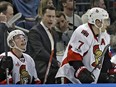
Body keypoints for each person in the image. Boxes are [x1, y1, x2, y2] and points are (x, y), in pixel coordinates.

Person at [56, 7, 116, 84]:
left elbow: (105, 58)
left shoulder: (105, 35)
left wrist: (108, 73)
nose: (108, 24)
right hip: (69, 77)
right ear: (97, 22)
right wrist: (81, 70)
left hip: (89, 80)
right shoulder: (83, 32)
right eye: (105, 20)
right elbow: (73, 56)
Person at [28, 6, 59, 84]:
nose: (51, 19)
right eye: (49, 16)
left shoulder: (53, 32)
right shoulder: (35, 31)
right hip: (40, 69)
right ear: (42, 16)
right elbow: (40, 51)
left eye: (53, 17)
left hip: (51, 68)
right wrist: (56, 63)